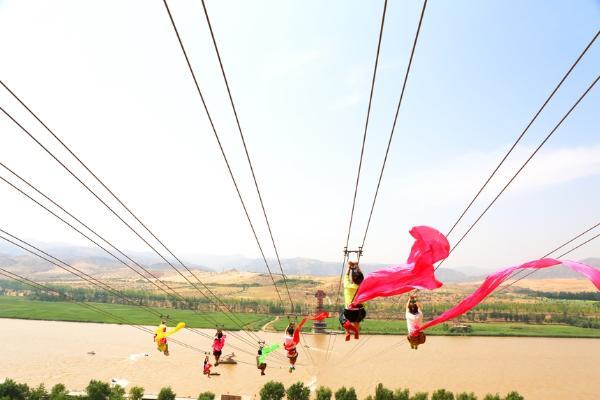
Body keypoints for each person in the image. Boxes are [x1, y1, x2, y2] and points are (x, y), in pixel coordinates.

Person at [340, 261, 366, 341]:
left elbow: (346, 276)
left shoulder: (347, 285)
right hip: (359, 311)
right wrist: (357, 266)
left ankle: (347, 332)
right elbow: (361, 277)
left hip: (348, 310)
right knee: (356, 321)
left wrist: (349, 267)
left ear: (353, 279)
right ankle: (356, 332)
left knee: (343, 319)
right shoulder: (363, 286)